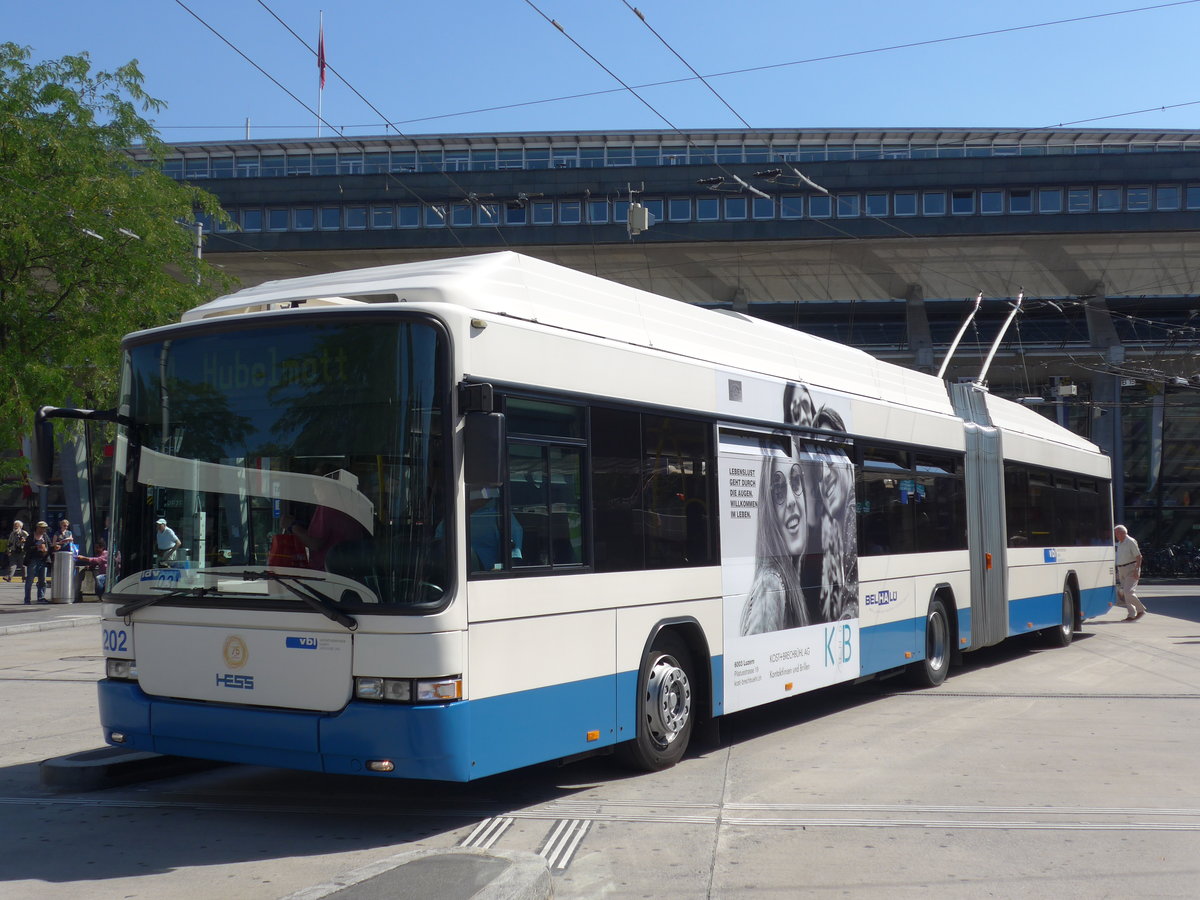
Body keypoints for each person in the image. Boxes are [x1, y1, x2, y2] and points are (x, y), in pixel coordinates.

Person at [741, 439, 811, 635]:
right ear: (768, 508)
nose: (791, 501)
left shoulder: (788, 577)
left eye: (796, 481)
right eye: (779, 490)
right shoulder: (771, 583)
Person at [1114, 524, 1147, 621]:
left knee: (1128, 592)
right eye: (1115, 534)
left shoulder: (1130, 541)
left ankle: (1141, 610)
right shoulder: (1120, 543)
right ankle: (1131, 615)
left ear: (1123, 533)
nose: (1116, 536)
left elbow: (1139, 556)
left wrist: (1136, 570)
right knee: (1125, 592)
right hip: (1122, 569)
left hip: (1131, 568)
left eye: (1117, 533)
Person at [23, 521, 55, 604]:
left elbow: (50, 546)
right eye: (42, 528)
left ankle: (41, 597)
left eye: (44, 528)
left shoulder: (45, 536)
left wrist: (55, 547)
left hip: (43, 560)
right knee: (30, 580)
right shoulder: (31, 536)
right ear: (37, 528)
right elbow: (26, 548)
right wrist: (36, 546)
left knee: (42, 580)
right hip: (33, 559)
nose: (43, 530)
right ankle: (27, 599)